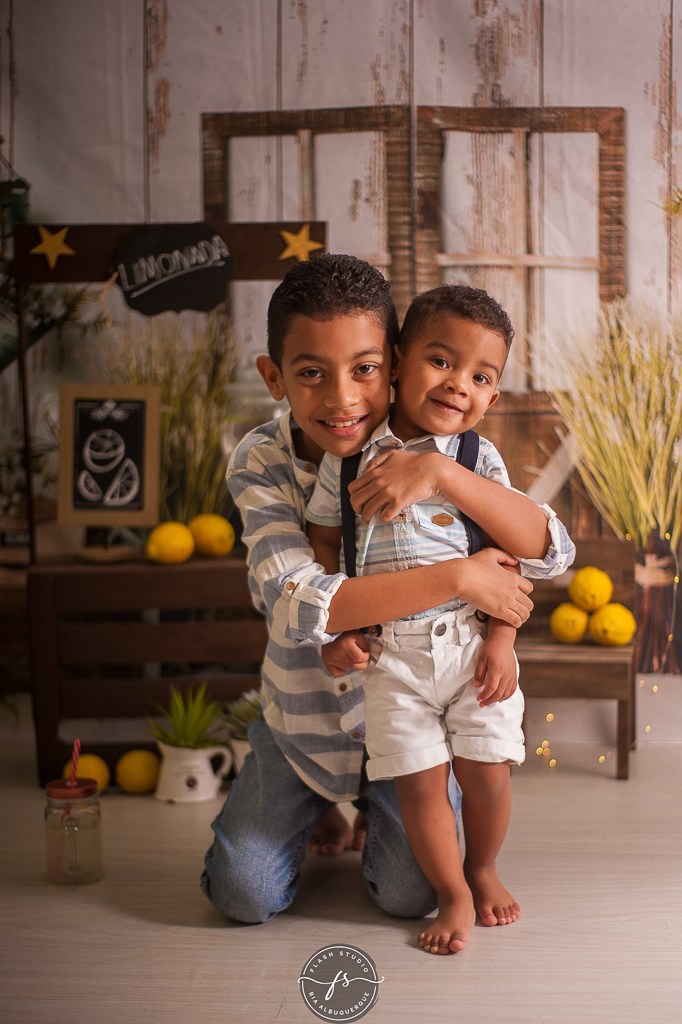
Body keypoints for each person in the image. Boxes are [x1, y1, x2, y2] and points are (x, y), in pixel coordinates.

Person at [200, 255, 564, 927]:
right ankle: (323, 804)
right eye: (311, 373)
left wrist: (442, 476)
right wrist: (458, 578)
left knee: (408, 895)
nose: (342, 399)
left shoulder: (457, 456)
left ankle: (381, 812)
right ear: (274, 377)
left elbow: (540, 550)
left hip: (415, 709)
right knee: (242, 895)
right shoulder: (267, 460)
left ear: (391, 364)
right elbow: (296, 598)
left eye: (363, 370)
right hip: (305, 724)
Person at [305, 283, 575, 955]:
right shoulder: (349, 456)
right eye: (441, 361)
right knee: (423, 784)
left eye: (481, 376)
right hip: (390, 659)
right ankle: (452, 891)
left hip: (470, 646)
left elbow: (517, 557)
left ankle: (482, 867)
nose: (459, 384)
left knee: (486, 771)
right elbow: (323, 543)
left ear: (492, 397)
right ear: (397, 361)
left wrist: (505, 640)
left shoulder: (476, 461)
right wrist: (337, 629)